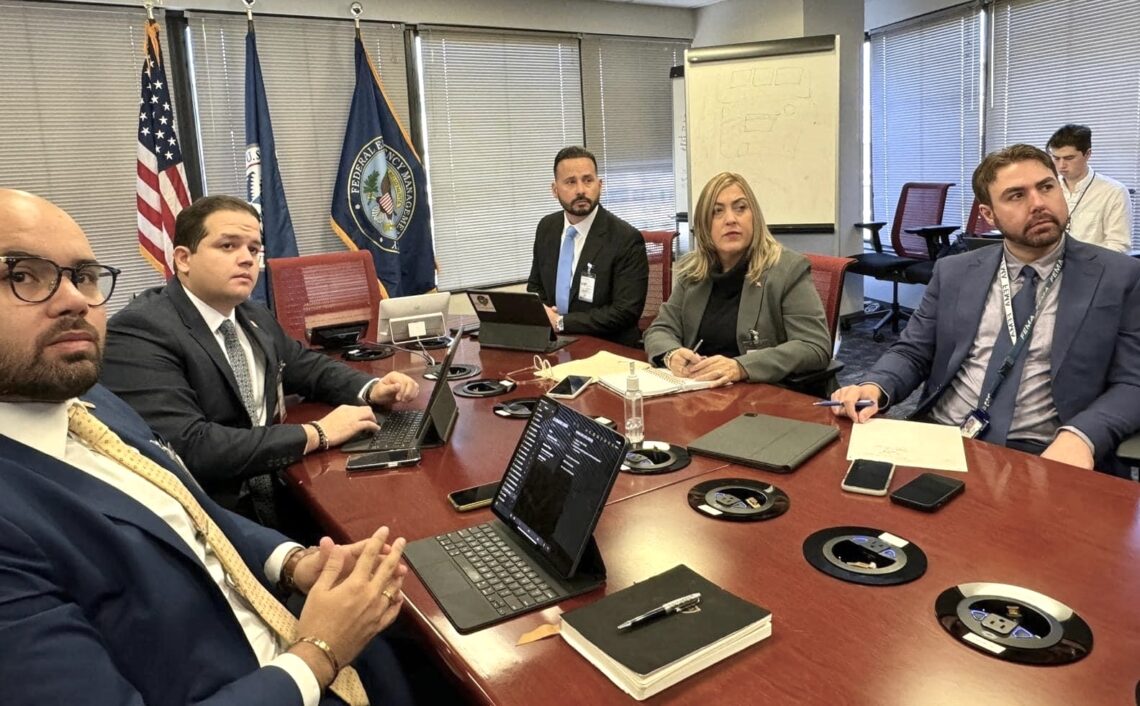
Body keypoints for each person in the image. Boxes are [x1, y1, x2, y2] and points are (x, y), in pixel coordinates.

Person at [0, 188, 414, 705]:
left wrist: (292, 562)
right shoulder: (141, 334)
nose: (75, 301)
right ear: (183, 259)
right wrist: (320, 653)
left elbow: (188, 509)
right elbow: (198, 449)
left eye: (83, 276)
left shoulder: (89, 400)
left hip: (270, 610)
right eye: (20, 276)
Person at [101, 195, 419, 525]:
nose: (247, 260)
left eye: (253, 249)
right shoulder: (140, 330)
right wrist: (317, 433)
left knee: (397, 512)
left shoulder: (251, 314)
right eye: (228, 246)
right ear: (183, 259)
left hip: (279, 483)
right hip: (213, 514)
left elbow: (305, 366)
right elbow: (191, 447)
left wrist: (371, 388)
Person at [830, 145, 1140, 477]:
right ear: (989, 215)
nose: (1038, 203)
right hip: (942, 437)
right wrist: (876, 385)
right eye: (1016, 195)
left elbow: (1133, 382)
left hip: (1045, 452)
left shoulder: (1118, 276)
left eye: (1047, 187)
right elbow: (914, 351)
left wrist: (1083, 436)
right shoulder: (955, 271)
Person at [643, 172, 831, 386]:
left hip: (763, 397)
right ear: (705, 225)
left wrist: (742, 367)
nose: (731, 219)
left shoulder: (788, 270)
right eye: (717, 211)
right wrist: (672, 354)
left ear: (755, 217)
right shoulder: (693, 272)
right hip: (700, 391)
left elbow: (814, 346)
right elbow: (660, 329)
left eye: (740, 208)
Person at [526, 146, 649, 348]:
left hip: (608, 347)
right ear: (555, 190)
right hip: (555, 344)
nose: (581, 190)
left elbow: (625, 312)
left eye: (588, 180)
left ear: (600, 185)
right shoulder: (547, 227)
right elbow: (536, 287)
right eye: (570, 182)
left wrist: (561, 323)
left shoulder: (626, 238)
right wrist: (544, 315)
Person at [1046, 124, 1133, 254]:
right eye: (1056, 158)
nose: (1061, 165)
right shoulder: (1046, 189)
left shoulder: (1114, 192)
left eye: (1069, 158)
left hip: (1093, 268)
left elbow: (1119, 246)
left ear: (1087, 154)